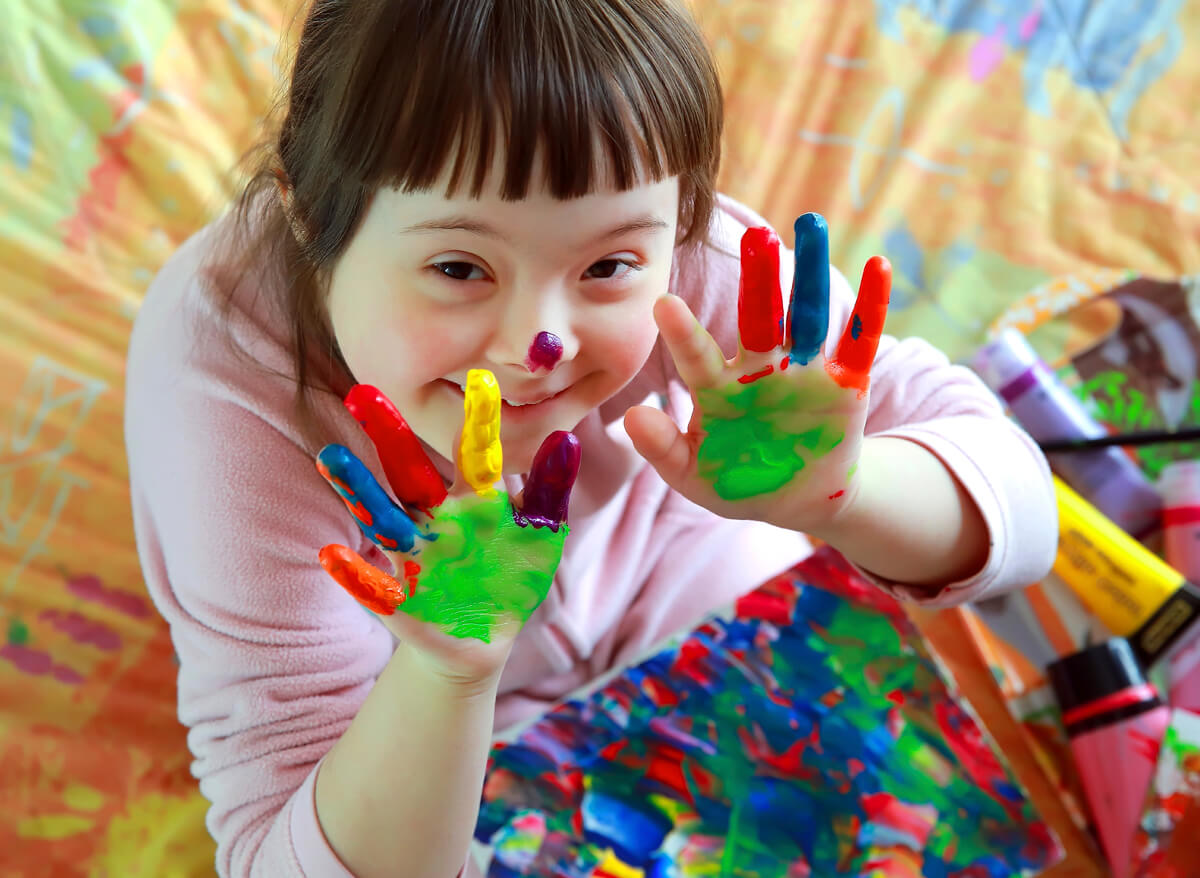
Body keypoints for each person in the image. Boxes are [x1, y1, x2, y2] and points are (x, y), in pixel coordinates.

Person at [123, 1, 1057, 876]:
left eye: (608, 263)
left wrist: (843, 492)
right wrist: (448, 671)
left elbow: (1022, 511)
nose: (541, 345)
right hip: (415, 717)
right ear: (306, 210)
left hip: (688, 578)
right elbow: (280, 851)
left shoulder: (701, 273)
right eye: (459, 265)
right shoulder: (226, 402)